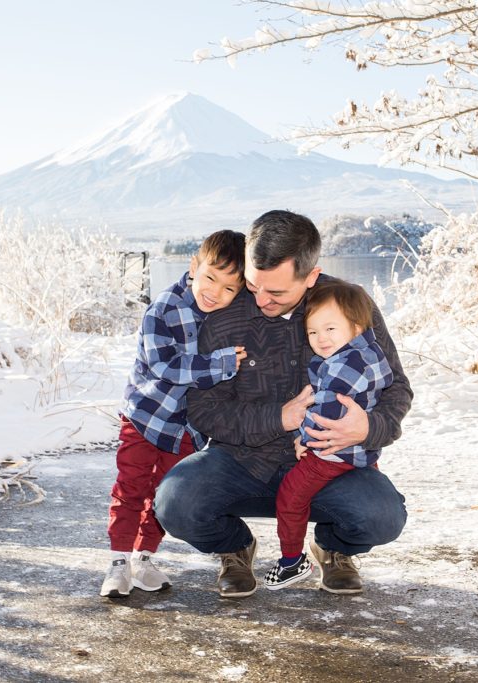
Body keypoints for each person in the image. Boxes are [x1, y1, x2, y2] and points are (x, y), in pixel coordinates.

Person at [155, 210, 411, 598]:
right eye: (253, 285)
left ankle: (333, 548)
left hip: (326, 464)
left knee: (382, 517)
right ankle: (234, 548)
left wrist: (367, 428)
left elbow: (397, 389)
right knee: (175, 502)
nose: (259, 300)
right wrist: (278, 418)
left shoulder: (348, 306)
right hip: (241, 460)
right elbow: (205, 410)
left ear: (310, 277)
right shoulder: (224, 314)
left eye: (275, 293)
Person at [100, 229, 248, 599]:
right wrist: (220, 364)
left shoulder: (224, 317)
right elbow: (166, 366)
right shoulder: (164, 308)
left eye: (230, 288)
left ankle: (145, 558)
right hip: (146, 417)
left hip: (186, 428)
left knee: (163, 495)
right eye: (211, 278)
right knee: (132, 486)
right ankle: (118, 562)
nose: (215, 292)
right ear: (194, 266)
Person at [262, 278, 393, 589]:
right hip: (361, 452)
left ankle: (291, 561)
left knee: (291, 494)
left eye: (330, 329)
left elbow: (326, 413)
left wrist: (303, 438)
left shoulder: (341, 367)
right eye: (313, 331)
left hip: (331, 452)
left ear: (357, 326)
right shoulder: (368, 353)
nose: (320, 339)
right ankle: (331, 542)